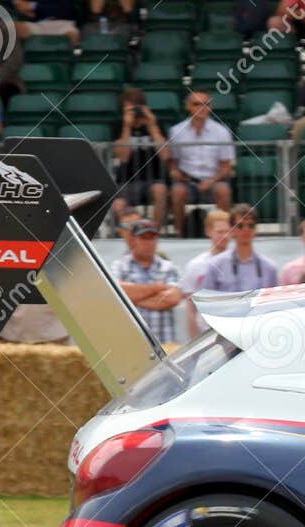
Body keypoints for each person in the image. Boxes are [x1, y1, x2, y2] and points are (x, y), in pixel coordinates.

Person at [167, 92, 235, 233]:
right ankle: (180, 234)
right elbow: (173, 163)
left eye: (206, 104)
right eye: (197, 104)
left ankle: (224, 233)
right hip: (187, 181)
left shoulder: (221, 132)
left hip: (214, 180)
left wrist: (211, 181)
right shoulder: (176, 131)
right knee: (177, 191)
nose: (202, 108)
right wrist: (176, 173)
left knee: (223, 190)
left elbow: (226, 166)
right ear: (188, 107)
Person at [110, 220, 183, 348]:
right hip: (130, 345)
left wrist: (130, 298)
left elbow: (173, 298)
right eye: (143, 238)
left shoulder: (169, 267)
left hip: (164, 344)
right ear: (133, 240)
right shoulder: (119, 266)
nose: (148, 243)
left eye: (152, 238)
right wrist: (157, 288)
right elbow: (114, 293)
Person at [112, 88, 169, 231]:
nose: (135, 113)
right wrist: (127, 126)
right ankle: (129, 236)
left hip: (153, 179)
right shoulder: (119, 125)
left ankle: (154, 232)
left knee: (160, 190)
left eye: (137, 108)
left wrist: (152, 125)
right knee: (118, 204)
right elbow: (122, 156)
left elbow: (165, 155)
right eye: (130, 108)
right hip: (127, 180)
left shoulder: (156, 124)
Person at [200, 204, 278, 292]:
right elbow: (207, 301)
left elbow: (273, 303)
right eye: (240, 226)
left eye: (251, 225)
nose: (246, 229)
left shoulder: (269, 268)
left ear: (256, 229)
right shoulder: (216, 265)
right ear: (232, 230)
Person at [181, 209, 229, 333]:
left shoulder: (239, 263)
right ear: (208, 232)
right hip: (206, 333)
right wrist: (194, 339)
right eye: (220, 232)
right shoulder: (195, 265)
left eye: (227, 231)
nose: (224, 236)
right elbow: (190, 307)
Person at [11, 0, 80, 45]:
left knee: (72, 36)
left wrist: (32, 6)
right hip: (39, 25)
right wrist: (19, 6)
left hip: (63, 24)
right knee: (12, 27)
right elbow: (21, 6)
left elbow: (63, 8)